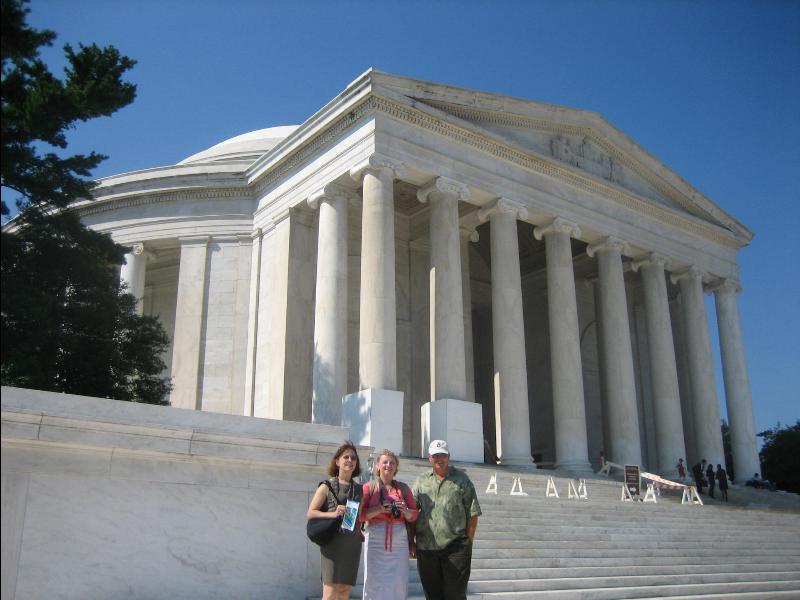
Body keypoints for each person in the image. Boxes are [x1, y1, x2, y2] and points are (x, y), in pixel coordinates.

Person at [412, 440, 482, 600]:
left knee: (455, 595)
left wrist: (468, 541)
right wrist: (411, 539)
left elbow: (473, 512)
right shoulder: (421, 481)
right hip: (426, 548)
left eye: (442, 455)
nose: (439, 459)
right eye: (435, 455)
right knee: (432, 595)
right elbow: (412, 511)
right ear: (429, 458)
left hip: (455, 547)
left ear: (449, 456)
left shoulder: (462, 479)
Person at [306, 441, 364, 600]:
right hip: (332, 543)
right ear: (337, 461)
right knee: (330, 592)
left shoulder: (360, 489)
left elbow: (361, 515)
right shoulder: (326, 486)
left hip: (352, 544)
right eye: (346, 457)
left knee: (344, 591)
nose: (350, 460)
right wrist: (332, 514)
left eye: (353, 458)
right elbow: (311, 513)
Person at [361, 449, 419, 600]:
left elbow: (414, 515)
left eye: (392, 462)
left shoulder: (403, 489)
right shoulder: (368, 487)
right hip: (375, 537)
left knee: (399, 580)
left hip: (399, 539)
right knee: (373, 580)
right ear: (378, 466)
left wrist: (404, 510)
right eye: (385, 462)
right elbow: (360, 515)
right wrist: (380, 509)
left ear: (396, 467)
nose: (388, 465)